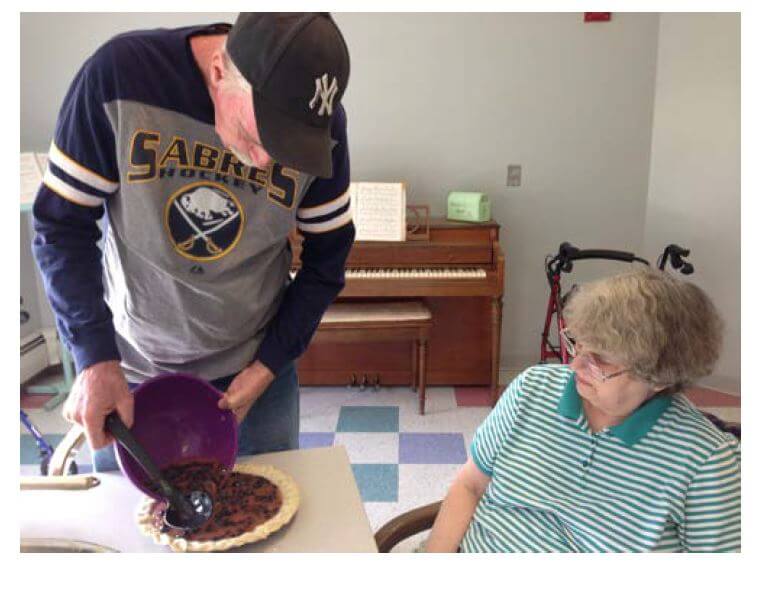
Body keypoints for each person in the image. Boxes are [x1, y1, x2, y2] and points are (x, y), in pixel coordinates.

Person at [31, 13, 354, 471]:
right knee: (131, 529)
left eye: (286, 149)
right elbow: (60, 227)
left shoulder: (322, 128)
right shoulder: (119, 77)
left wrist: (269, 365)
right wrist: (93, 357)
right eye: (256, 138)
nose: (265, 163)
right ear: (220, 72)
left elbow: (328, 257)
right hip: (133, 370)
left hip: (256, 372)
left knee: (268, 523)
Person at [426, 267, 740, 552]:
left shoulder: (707, 461)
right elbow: (470, 484)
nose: (574, 364)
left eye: (600, 359)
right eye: (578, 344)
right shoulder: (531, 389)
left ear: (659, 376)